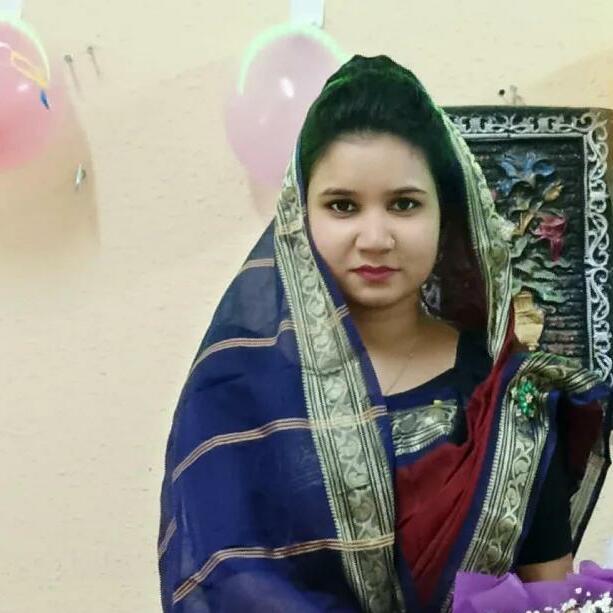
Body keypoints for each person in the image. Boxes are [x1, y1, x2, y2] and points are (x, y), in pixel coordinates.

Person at [157, 55, 612, 612]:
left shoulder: (515, 398)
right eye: (342, 205)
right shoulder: (238, 396)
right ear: (300, 219)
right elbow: (217, 588)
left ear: (448, 214)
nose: (375, 238)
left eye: (404, 204)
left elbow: (551, 597)